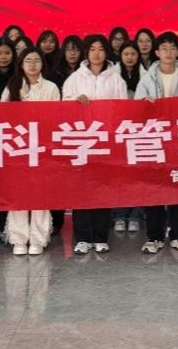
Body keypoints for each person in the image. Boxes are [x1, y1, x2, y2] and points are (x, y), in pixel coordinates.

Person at [135, 31, 178, 254]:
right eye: (164, 48)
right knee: (153, 189)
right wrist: (144, 104)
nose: (168, 52)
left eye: (172, 48)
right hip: (154, 139)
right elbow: (136, 109)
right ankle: (154, 237)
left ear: (177, 52)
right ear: (156, 52)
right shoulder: (147, 79)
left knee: (177, 187)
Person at [63, 34, 127, 253]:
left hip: (105, 141)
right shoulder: (75, 78)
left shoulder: (116, 79)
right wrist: (75, 101)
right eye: (92, 49)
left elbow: (123, 109)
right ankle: (82, 238)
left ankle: (101, 236)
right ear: (86, 52)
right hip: (81, 141)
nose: (96, 53)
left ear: (106, 52)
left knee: (102, 189)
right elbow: (62, 106)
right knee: (81, 189)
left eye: (100, 49)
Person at [2, 48, 60, 255]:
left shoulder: (51, 87)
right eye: (28, 60)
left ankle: (38, 238)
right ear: (21, 63)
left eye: (36, 60)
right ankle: (18, 239)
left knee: (40, 193)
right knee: (18, 193)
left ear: (42, 64)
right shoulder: (12, 86)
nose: (32, 64)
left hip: (42, 146)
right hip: (17, 146)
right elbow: (1, 114)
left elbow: (57, 116)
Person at [113, 40, 146, 233]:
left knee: (138, 175)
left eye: (133, 54)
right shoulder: (112, 76)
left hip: (140, 130)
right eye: (126, 54)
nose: (130, 57)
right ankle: (119, 214)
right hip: (118, 130)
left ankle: (135, 215)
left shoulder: (147, 75)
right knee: (120, 176)